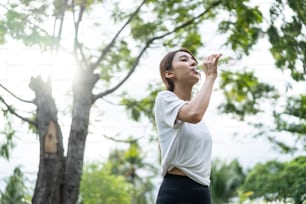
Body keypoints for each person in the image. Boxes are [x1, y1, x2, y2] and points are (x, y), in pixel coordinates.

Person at [154, 48, 222, 204]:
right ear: (169, 73)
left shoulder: (197, 113)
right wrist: (211, 77)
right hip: (176, 190)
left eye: (194, 61)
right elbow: (194, 114)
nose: (193, 63)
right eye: (184, 60)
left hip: (202, 192)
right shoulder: (164, 98)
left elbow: (195, 113)